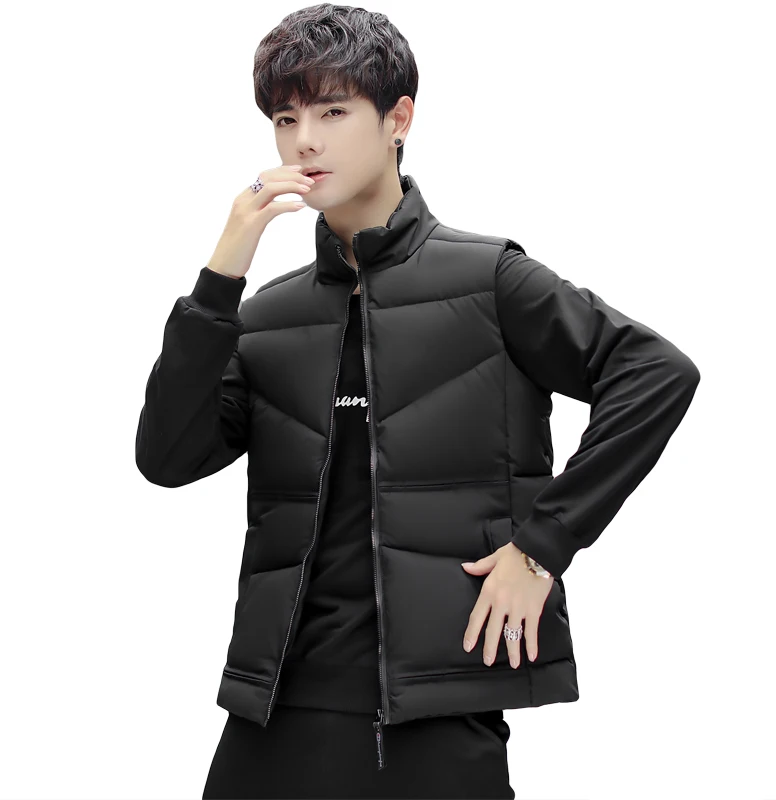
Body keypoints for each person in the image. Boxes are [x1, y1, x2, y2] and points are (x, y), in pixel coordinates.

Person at [135, 4, 700, 798]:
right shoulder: (265, 315)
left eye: (333, 112)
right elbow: (166, 458)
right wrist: (220, 277)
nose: (305, 141)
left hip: (436, 716)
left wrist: (542, 547)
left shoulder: (490, 281)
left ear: (398, 119)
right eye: (287, 118)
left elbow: (656, 372)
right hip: (275, 711)